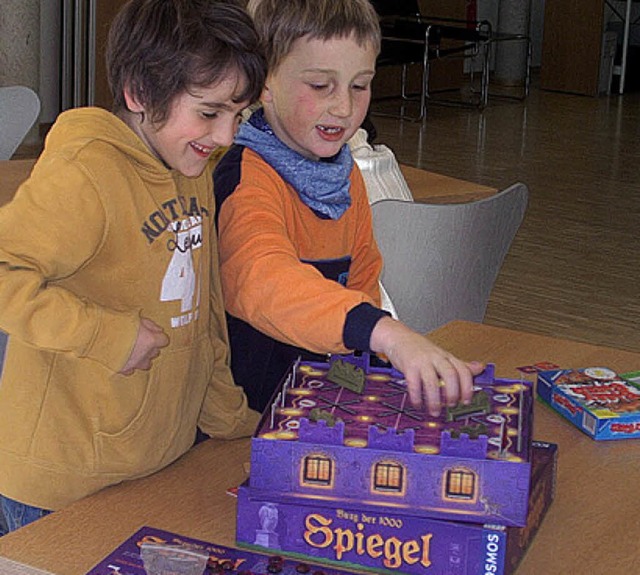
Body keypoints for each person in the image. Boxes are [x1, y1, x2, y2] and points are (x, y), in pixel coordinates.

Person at [0, 0, 266, 534]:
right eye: (210, 112)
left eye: (240, 115)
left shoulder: (188, 163)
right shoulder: (84, 174)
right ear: (140, 95)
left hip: (149, 460)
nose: (227, 136)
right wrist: (106, 335)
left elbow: (200, 308)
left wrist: (229, 419)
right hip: (60, 482)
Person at [213, 0, 483, 418]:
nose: (343, 107)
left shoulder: (344, 174)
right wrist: (383, 332)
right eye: (321, 86)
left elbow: (362, 284)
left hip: (321, 407)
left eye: (360, 86)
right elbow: (260, 278)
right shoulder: (247, 177)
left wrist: (388, 368)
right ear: (263, 83)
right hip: (249, 418)